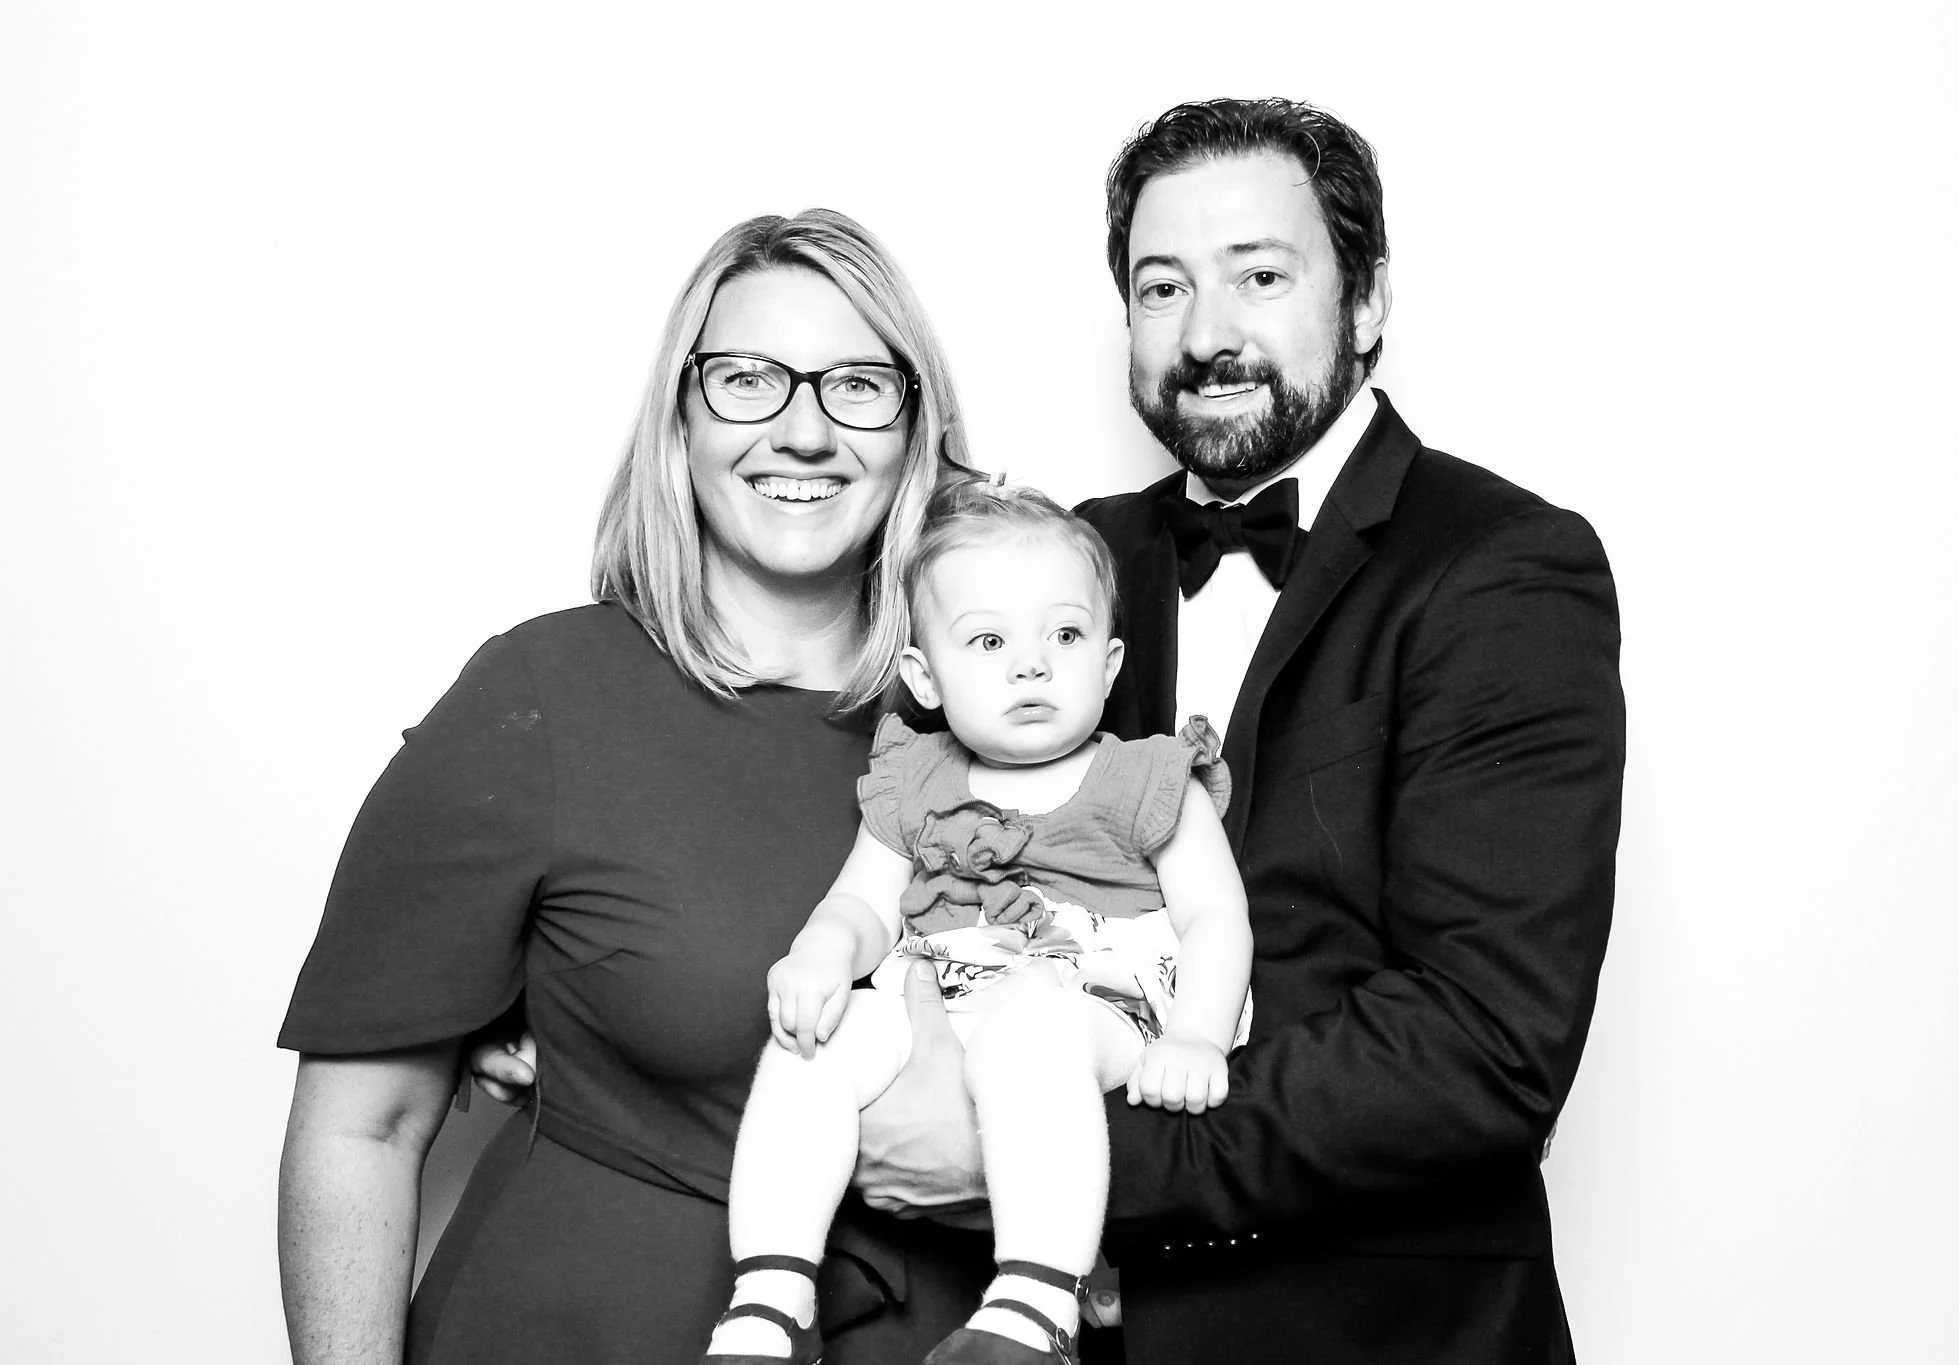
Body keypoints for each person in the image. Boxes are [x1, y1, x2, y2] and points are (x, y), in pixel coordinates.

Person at [843, 99, 1627, 1363]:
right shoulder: (1066, 562)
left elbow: (1485, 1043)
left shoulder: (1503, 569)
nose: (1206, 334)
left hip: (1385, 1336)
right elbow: (900, 815)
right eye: (1161, 288)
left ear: (1365, 301)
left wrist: (1034, 1155)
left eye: (1258, 276)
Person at [275, 209, 996, 1365]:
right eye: (748, 379)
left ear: (917, 427)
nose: (803, 430)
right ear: (680, 419)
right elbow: (364, 1126)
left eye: (858, 384)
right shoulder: (544, 697)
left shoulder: (1006, 715)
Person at [701, 481, 1253, 1365]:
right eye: (989, 640)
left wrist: (1197, 1036)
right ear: (926, 676)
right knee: (811, 1042)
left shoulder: (1148, 778)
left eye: (1063, 636)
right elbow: (864, 903)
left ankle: (1036, 1307)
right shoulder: (915, 778)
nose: (1030, 664)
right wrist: (822, 951)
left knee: (1031, 1024)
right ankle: (771, 1297)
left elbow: (1217, 917)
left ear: (1109, 668)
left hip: (1096, 999)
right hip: (949, 990)